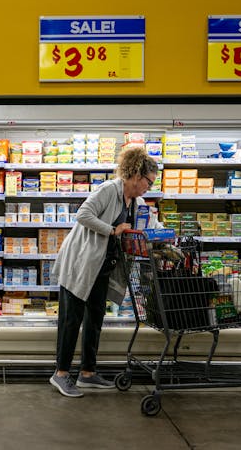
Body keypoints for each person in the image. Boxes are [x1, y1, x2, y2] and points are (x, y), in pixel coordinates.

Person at [49, 146, 159, 397]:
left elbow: (150, 224)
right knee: (71, 320)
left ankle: (88, 373)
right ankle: (61, 374)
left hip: (103, 267)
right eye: (148, 182)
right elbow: (83, 214)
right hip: (81, 263)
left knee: (94, 318)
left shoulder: (137, 202)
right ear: (135, 175)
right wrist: (112, 230)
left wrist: (164, 234)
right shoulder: (109, 190)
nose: (148, 188)